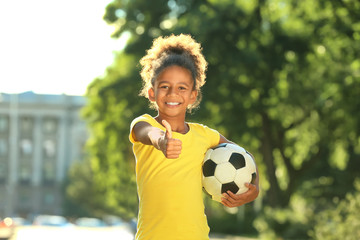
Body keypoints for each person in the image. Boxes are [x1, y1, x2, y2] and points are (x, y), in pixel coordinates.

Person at [129, 34, 259, 240]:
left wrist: (255, 188)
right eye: (164, 87)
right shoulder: (144, 124)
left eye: (182, 88)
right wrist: (162, 141)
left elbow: (245, 155)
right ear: (151, 92)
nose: (173, 93)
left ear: (193, 95)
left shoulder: (204, 135)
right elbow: (147, 133)